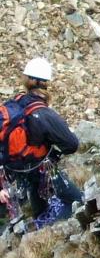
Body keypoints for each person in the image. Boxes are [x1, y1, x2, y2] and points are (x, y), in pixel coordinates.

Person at [0, 58, 82, 225]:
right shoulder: (41, 112)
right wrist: (54, 153)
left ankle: (41, 229)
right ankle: (52, 229)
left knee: (39, 209)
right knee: (78, 202)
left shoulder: (13, 104)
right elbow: (72, 143)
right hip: (42, 171)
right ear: (45, 82)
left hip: (17, 174)